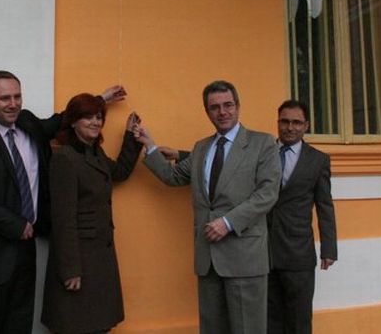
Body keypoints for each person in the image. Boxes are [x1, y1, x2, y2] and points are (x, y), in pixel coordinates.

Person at [0, 70, 126, 334]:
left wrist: (100, 100)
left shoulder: (28, 124)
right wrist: (15, 224)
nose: (13, 104)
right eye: (5, 98)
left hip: (26, 251)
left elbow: (63, 120)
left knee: (19, 324)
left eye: (17, 96)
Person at [137, 80, 280, 334]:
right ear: (207, 112)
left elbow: (267, 194)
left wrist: (228, 222)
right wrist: (150, 145)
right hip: (208, 259)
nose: (222, 112)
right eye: (215, 107)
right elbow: (173, 177)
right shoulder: (202, 148)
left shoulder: (263, 144)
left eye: (228, 105)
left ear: (238, 106)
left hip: (244, 257)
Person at [41, 94, 143, 334]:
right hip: (79, 262)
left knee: (97, 325)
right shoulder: (65, 158)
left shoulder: (95, 153)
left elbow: (119, 172)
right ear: (73, 121)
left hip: (99, 260)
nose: (96, 122)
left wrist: (131, 136)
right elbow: (63, 219)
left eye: (99, 117)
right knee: (76, 325)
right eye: (88, 117)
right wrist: (70, 270)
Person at [267, 99, 337, 334]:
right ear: (278, 122)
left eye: (296, 122)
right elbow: (228, 162)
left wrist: (329, 248)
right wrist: (182, 156)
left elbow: (325, 206)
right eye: (285, 121)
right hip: (263, 252)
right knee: (268, 322)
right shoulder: (262, 152)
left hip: (298, 253)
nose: (290, 127)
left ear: (306, 125)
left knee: (298, 322)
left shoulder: (318, 160)